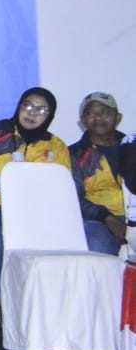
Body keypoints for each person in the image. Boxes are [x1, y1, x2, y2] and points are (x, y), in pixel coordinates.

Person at [0, 87, 72, 327]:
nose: (32, 113)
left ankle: (51, 311)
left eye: (41, 110)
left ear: (50, 115)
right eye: (28, 105)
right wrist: (11, 184)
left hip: (32, 213)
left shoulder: (56, 146)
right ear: (19, 106)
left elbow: (61, 185)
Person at [66, 92, 127, 255]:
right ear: (83, 122)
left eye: (105, 112)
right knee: (96, 242)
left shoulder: (132, 147)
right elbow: (73, 198)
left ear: (118, 117)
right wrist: (107, 217)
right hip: (99, 220)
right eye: (91, 113)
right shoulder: (73, 155)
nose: (98, 117)